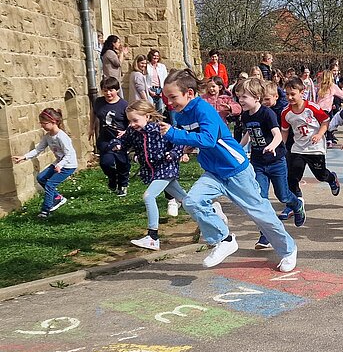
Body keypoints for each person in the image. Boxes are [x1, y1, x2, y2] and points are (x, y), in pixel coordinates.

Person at [159, 68, 297, 270]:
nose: (170, 103)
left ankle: (288, 250)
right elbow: (195, 138)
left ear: (189, 93)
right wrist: (183, 148)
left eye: (173, 97)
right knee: (192, 201)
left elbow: (208, 139)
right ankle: (224, 239)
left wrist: (174, 135)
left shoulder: (203, 110)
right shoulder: (179, 115)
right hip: (213, 171)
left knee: (261, 214)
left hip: (235, 169)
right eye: (167, 98)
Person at [236, 78, 306, 249]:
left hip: (276, 161)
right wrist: (237, 149)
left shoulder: (268, 113)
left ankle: (297, 204)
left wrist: (272, 146)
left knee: (283, 195)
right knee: (261, 200)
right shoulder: (245, 115)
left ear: (257, 97)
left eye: (244, 97)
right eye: (239, 97)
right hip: (258, 164)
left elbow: (277, 135)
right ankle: (265, 236)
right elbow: (248, 135)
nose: (240, 100)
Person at [111, 101, 187, 250]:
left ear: (147, 116)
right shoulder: (133, 131)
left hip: (166, 168)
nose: (132, 124)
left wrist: (173, 154)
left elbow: (178, 142)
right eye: (130, 121)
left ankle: (153, 237)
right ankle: (212, 214)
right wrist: (117, 144)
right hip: (153, 170)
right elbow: (123, 141)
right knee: (186, 200)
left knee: (148, 196)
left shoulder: (161, 128)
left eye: (135, 120)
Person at [281, 77, 340, 216]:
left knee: (320, 175)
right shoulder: (285, 112)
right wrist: (281, 147)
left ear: (302, 92)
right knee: (292, 176)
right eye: (287, 94)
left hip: (315, 148)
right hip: (298, 148)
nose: (289, 97)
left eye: (293, 94)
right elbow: (285, 131)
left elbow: (325, 121)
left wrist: (319, 134)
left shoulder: (311, 107)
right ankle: (294, 204)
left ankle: (331, 178)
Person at [13, 108, 78, 218]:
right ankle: (58, 198)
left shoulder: (62, 137)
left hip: (68, 165)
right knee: (41, 178)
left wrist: (60, 165)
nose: (42, 125)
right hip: (58, 163)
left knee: (50, 185)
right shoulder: (48, 136)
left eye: (44, 123)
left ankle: (45, 210)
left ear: (54, 122)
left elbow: (69, 154)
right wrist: (24, 157)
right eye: (41, 123)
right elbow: (38, 149)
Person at [88, 77, 131, 196]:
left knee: (122, 163)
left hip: (119, 139)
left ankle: (123, 184)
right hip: (105, 138)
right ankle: (113, 179)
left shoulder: (124, 105)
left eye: (111, 90)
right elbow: (93, 112)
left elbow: (132, 120)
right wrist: (91, 127)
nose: (108, 93)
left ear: (117, 90)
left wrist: (126, 131)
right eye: (105, 90)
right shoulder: (99, 102)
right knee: (105, 163)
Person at [316, 69, 343, 146]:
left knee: (320, 125)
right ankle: (329, 139)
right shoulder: (332, 86)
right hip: (326, 109)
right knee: (328, 124)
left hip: (318, 108)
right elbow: (342, 96)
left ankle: (321, 138)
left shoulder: (319, 85)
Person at [146, 49, 168, 115]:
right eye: (154, 56)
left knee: (160, 110)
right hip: (150, 89)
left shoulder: (162, 67)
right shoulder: (147, 66)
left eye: (157, 56)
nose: (156, 57)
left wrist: (163, 91)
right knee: (150, 109)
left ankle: (159, 124)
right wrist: (149, 91)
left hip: (160, 90)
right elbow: (144, 80)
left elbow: (165, 79)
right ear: (150, 56)